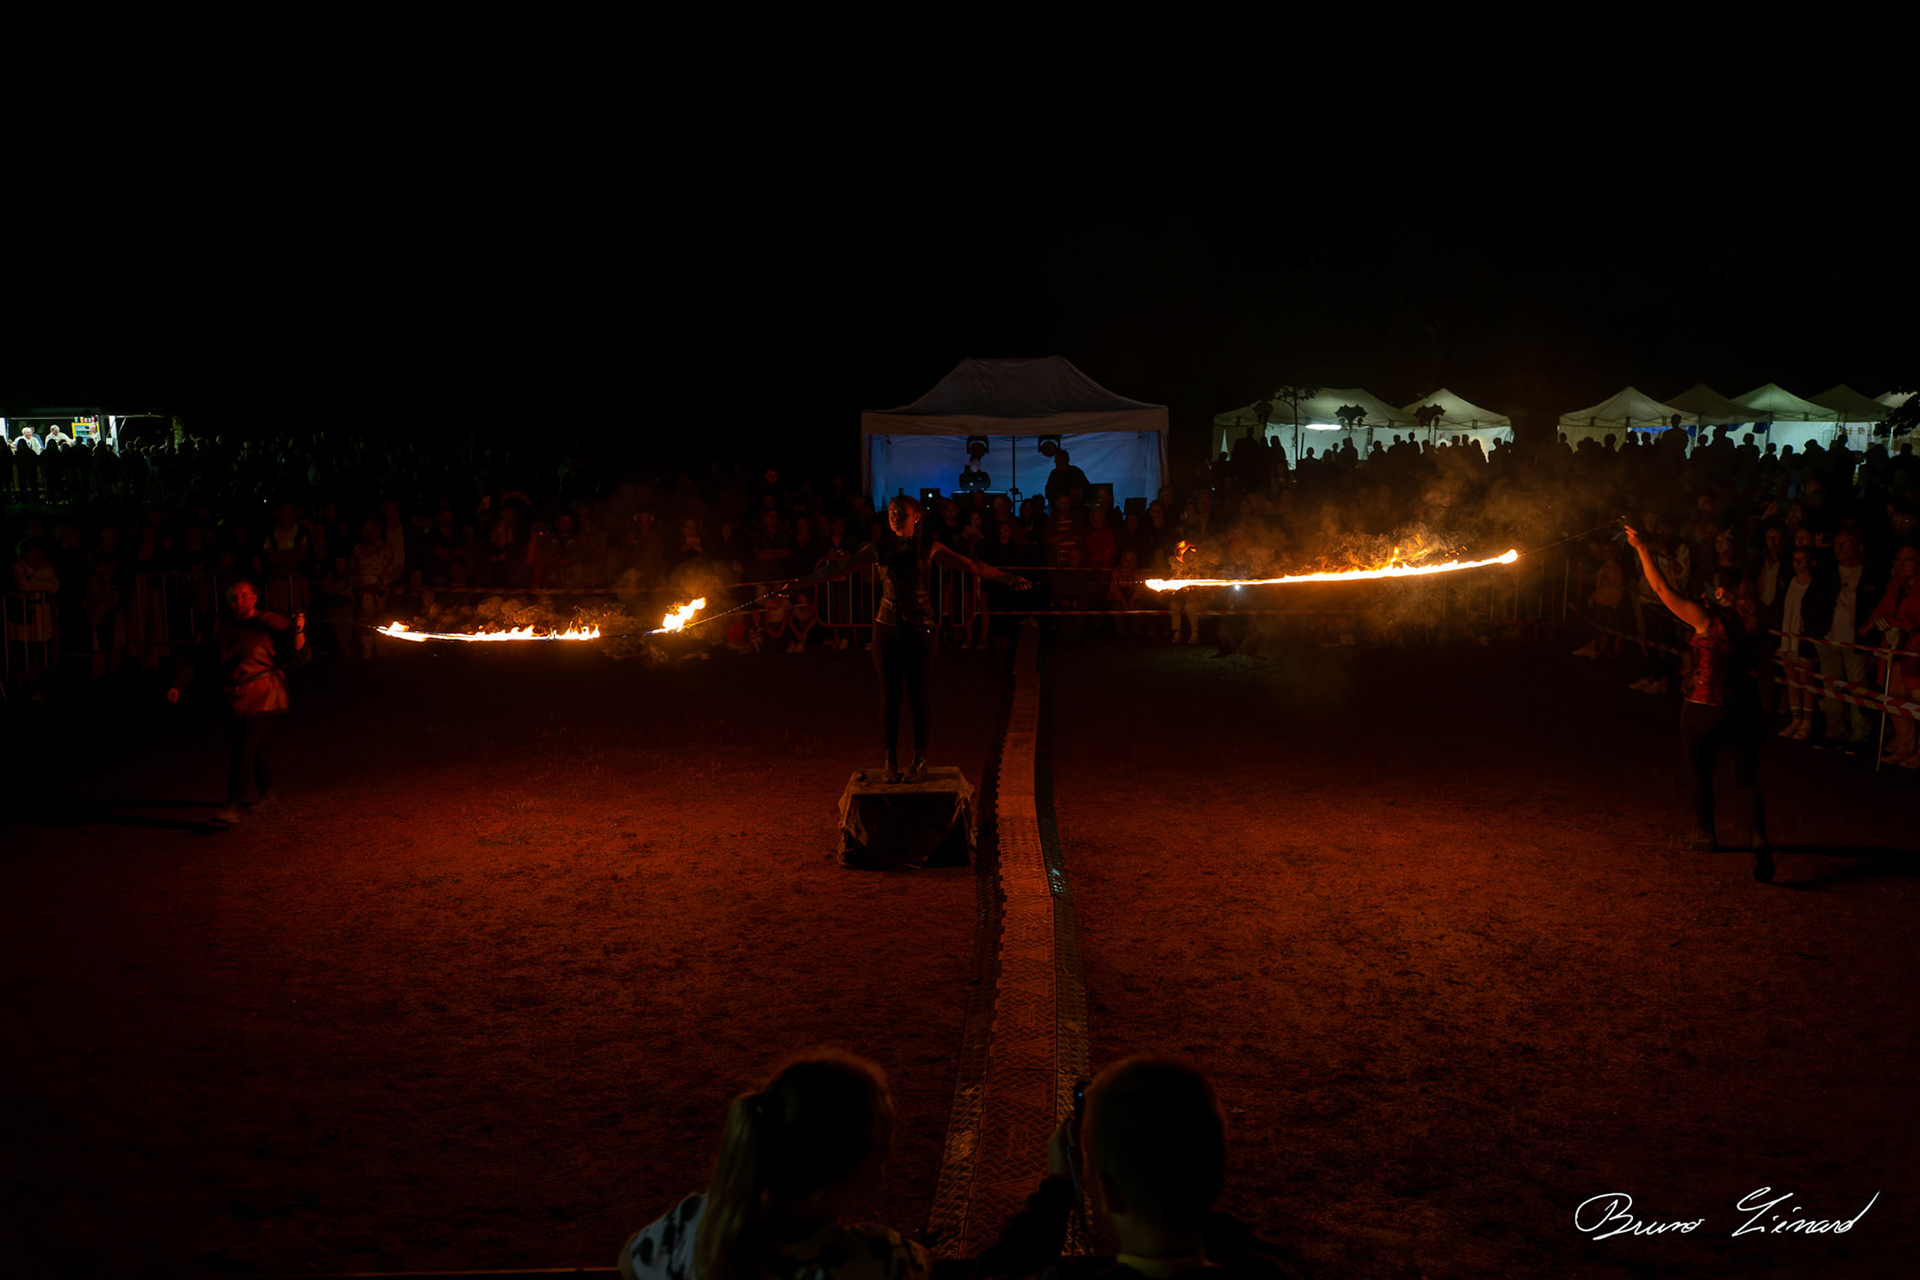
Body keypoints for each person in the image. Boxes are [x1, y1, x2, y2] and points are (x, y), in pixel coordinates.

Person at [973, 1056, 1309, 1280]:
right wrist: (1185, 1195)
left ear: (1109, 1192)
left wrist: (1057, 1189)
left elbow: (994, 1271)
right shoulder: (1273, 1271)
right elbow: (1268, 1255)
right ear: (1215, 1177)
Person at [618, 1049, 927, 1280]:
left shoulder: (690, 1223)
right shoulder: (878, 1259)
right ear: (839, 1168)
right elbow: (922, 1265)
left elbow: (629, 1263)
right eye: (879, 1154)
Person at [794, 495, 1029, 783]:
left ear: (916, 516)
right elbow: (838, 568)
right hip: (885, 627)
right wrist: (799, 583)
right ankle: (890, 760)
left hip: (919, 629)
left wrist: (1007, 578)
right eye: (891, 512)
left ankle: (920, 759)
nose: (894, 517)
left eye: (900, 513)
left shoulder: (929, 548)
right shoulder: (878, 548)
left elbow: (972, 566)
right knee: (889, 697)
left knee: (919, 696)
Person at [1625, 524, 1773, 882]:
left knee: (1699, 771)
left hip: (1703, 708)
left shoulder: (1707, 619)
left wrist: (1642, 548)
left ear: (1721, 590)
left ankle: (1705, 834)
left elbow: (1661, 588)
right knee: (1745, 779)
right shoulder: (1754, 622)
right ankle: (1759, 840)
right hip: (1742, 709)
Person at [168, 578, 307, 825]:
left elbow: (300, 654)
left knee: (242, 747)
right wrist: (178, 684)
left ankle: (232, 806)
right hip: (233, 696)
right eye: (234, 597)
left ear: (255, 597)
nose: (239, 601)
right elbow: (193, 654)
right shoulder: (219, 624)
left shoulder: (272, 622)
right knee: (251, 746)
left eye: (244, 596)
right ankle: (268, 792)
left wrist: (298, 630)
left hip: (266, 694)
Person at [1864, 542, 1920, 768]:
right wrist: (1870, 627)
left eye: (1908, 560)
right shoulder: (1896, 586)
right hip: (1898, 648)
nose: (1902, 564)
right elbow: (1883, 610)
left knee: (1917, 701)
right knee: (1895, 696)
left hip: (1916, 651)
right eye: (1899, 559)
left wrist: (1896, 623)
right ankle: (1905, 747)